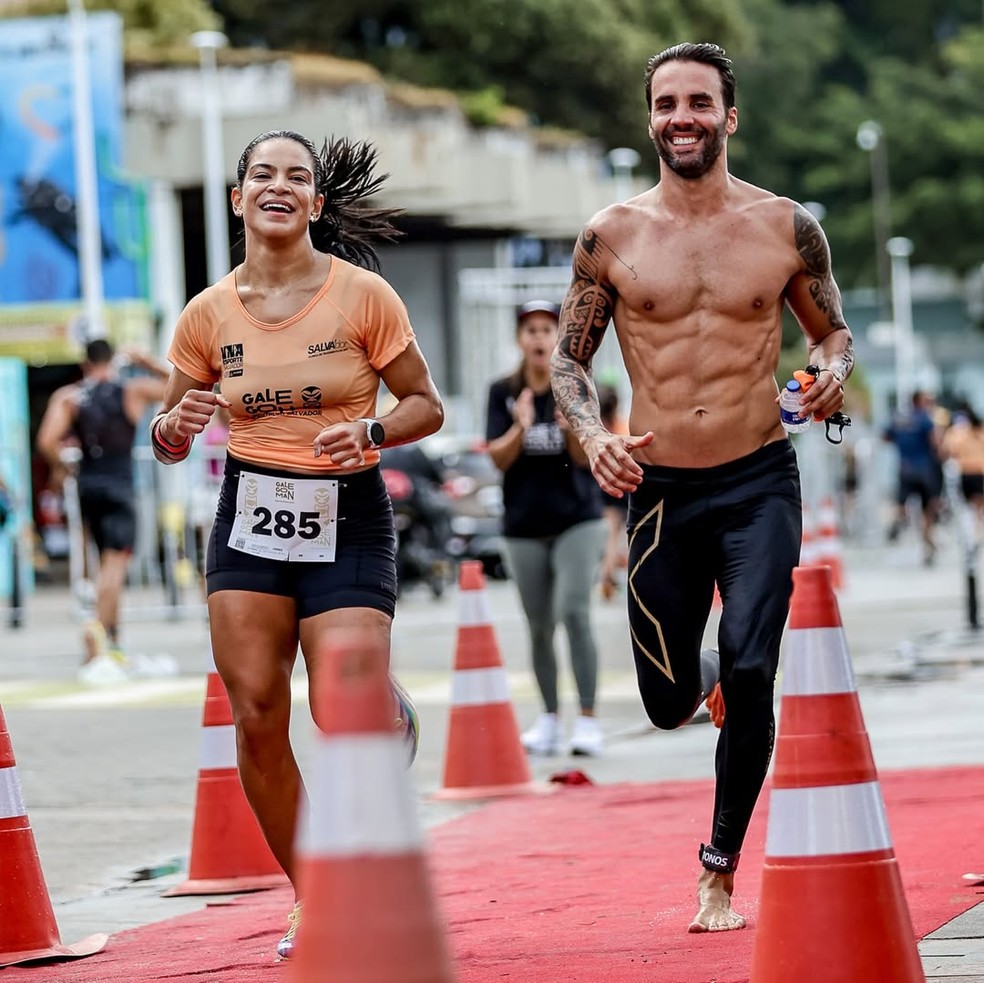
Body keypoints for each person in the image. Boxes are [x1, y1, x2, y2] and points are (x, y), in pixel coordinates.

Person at [549, 42, 854, 932]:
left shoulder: (785, 227)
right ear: (650, 117)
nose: (682, 118)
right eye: (667, 103)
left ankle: (717, 866)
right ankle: (704, 676)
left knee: (757, 667)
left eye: (699, 103)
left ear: (730, 115)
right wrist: (594, 433)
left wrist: (832, 369)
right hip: (661, 492)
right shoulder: (612, 235)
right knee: (668, 699)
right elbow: (571, 359)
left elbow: (832, 334)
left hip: (760, 479)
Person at [149, 130, 444, 960]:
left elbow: (426, 404)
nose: (279, 185)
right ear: (239, 197)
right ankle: (317, 896)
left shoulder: (363, 297)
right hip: (250, 513)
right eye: (262, 174)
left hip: (346, 511)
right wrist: (170, 426)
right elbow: (170, 432)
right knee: (255, 714)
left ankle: (385, 714)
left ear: (316, 203)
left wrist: (374, 428)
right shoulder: (207, 313)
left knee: (343, 711)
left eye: (297, 177)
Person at [486, 300, 607, 757]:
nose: (538, 337)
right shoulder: (502, 391)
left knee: (573, 612)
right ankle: (551, 718)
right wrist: (519, 426)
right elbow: (496, 458)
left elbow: (583, 458)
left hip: (578, 520)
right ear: (520, 339)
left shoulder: (576, 387)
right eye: (530, 329)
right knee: (538, 626)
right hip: (523, 526)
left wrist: (571, 427)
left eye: (546, 329)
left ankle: (590, 720)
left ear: (559, 336)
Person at [36, 340, 169, 682]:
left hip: (89, 486)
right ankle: (98, 634)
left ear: (85, 363)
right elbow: (178, 388)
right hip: (121, 485)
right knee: (115, 565)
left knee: (103, 564)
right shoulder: (133, 389)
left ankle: (113, 642)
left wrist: (62, 468)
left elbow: (47, 440)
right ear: (112, 360)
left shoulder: (70, 396)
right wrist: (147, 361)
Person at [883, 390, 944, 564]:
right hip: (925, 470)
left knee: (900, 504)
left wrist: (902, 446)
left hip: (905, 469)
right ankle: (928, 547)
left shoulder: (899, 419)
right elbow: (936, 443)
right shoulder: (925, 419)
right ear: (919, 401)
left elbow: (886, 436)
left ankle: (898, 521)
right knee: (928, 512)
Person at [596, 381, 629, 600]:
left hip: (601, 481)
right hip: (618, 484)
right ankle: (607, 576)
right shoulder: (620, 427)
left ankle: (607, 575)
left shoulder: (597, 430)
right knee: (614, 533)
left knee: (610, 532)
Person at [941, 400, 984, 538]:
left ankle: (973, 533)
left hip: (965, 472)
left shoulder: (956, 433)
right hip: (979, 471)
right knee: (978, 505)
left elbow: (946, 451)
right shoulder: (980, 431)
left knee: (968, 507)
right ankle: (977, 530)